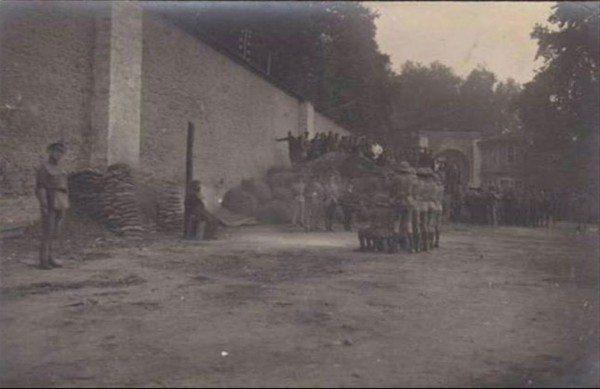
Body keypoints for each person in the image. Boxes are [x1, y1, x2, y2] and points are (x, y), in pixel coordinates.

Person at [36, 141, 69, 269]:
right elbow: (40, 187)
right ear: (50, 152)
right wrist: (43, 204)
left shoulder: (61, 169)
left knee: (56, 231)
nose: (58, 155)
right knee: (47, 230)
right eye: (56, 151)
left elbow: (64, 186)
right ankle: (43, 260)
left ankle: (51, 257)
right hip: (49, 201)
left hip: (61, 201)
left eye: (61, 152)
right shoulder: (43, 168)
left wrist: (65, 202)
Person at [390, 161, 417, 253]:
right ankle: (411, 247)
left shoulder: (396, 178)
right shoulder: (412, 179)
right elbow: (415, 192)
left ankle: (394, 247)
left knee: (396, 223)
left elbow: (392, 190)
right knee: (408, 224)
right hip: (409, 202)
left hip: (398, 201)